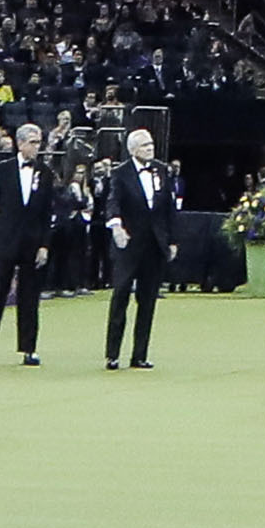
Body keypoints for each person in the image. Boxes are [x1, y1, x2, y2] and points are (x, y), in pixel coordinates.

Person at [0, 120, 56, 367]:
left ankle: (29, 349)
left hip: (32, 244)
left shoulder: (46, 173)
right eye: (32, 142)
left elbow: (47, 214)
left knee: (30, 299)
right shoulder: (3, 169)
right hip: (5, 243)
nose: (37, 147)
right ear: (20, 144)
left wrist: (44, 245)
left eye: (39, 142)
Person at [96, 126, 178, 370]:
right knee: (120, 295)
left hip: (154, 246)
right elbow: (113, 202)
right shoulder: (120, 173)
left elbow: (168, 210)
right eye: (145, 145)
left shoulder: (163, 170)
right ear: (132, 149)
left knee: (148, 300)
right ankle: (113, 354)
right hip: (129, 245)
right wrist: (116, 225)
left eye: (151, 144)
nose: (150, 148)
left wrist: (172, 240)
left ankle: (139, 354)